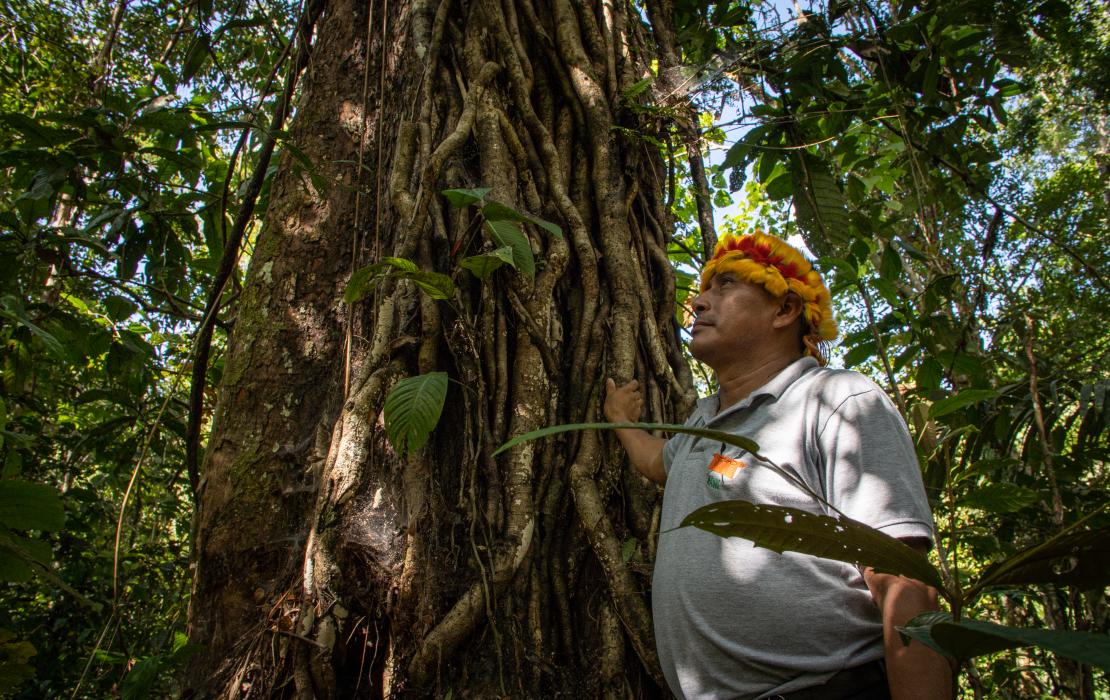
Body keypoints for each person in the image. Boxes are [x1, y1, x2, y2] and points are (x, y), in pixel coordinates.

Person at [605, 232, 952, 699]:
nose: (700, 304)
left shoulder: (837, 400)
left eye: (725, 285)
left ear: (785, 310)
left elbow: (901, 578)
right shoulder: (703, 420)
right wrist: (621, 422)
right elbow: (660, 464)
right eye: (704, 291)